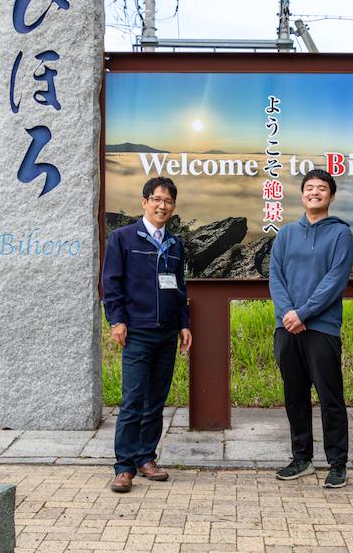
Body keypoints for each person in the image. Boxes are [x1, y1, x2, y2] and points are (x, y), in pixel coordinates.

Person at [102, 176, 192, 493]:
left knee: (156, 401)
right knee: (132, 400)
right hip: (137, 331)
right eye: (156, 199)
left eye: (168, 201)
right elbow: (111, 283)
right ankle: (124, 467)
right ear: (144, 202)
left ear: (173, 207)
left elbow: (180, 289)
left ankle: (146, 459)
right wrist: (116, 320)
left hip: (167, 334)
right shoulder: (124, 238)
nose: (162, 205)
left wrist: (184, 324)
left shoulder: (175, 244)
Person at [268, 169, 353, 488]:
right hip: (287, 328)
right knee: (295, 395)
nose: (314, 192)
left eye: (321, 188)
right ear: (301, 194)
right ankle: (301, 458)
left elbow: (335, 280)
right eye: (309, 188)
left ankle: (337, 462)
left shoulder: (340, 234)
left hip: (322, 329)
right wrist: (288, 313)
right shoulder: (287, 233)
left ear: (331, 196)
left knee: (330, 396)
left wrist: (303, 313)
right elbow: (275, 276)